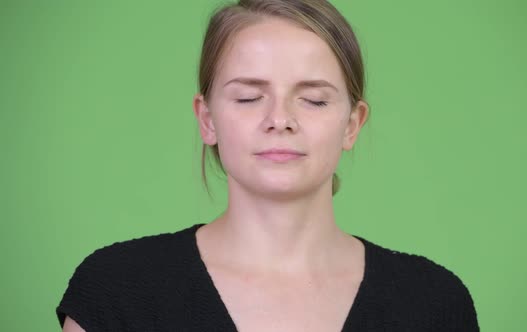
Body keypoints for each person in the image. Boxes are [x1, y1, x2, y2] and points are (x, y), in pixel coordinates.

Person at [57, 0, 479, 331]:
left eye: (313, 99)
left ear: (352, 125)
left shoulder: (434, 303)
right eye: (248, 97)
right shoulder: (116, 292)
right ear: (207, 120)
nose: (280, 119)